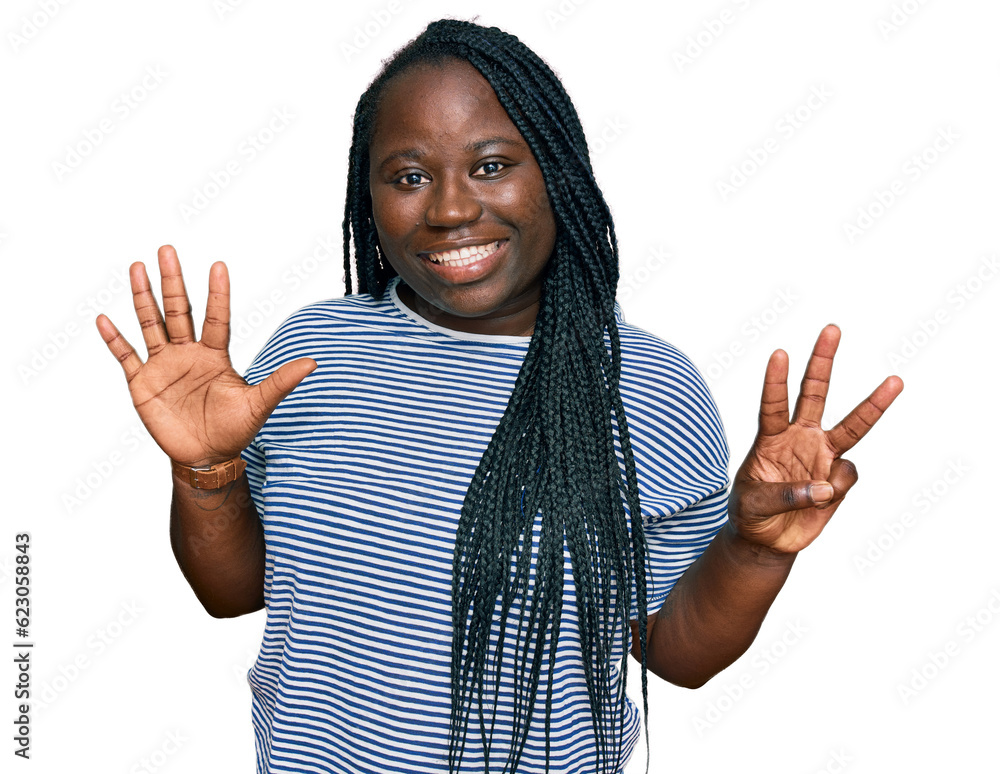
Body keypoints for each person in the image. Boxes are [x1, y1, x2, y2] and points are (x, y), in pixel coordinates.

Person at [96, 18, 903, 774]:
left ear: (557, 174)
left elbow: (676, 654)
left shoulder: (648, 389)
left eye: (490, 165)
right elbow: (232, 593)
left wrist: (755, 549)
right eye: (410, 176)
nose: (450, 209)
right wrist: (206, 471)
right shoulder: (313, 353)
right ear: (367, 197)